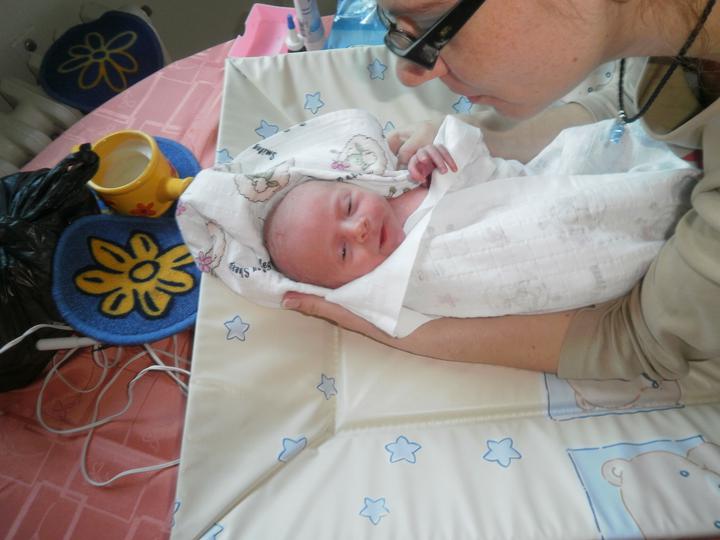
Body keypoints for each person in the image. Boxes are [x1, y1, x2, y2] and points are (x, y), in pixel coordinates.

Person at [280, 0, 720, 380]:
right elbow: (622, 106)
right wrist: (477, 138)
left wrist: (392, 326)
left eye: (430, 28)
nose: (410, 73)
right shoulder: (662, 39)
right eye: (395, 29)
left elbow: (638, 338)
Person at [266, 118, 696, 336]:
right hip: (538, 253)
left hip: (537, 189)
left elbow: (481, 165)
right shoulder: (394, 283)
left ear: (355, 184)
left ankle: (673, 174)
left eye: (348, 205)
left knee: (592, 160)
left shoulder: (407, 180)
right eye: (343, 251)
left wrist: (438, 157)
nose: (358, 229)